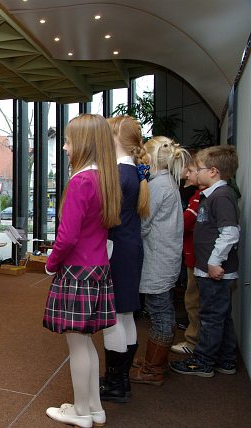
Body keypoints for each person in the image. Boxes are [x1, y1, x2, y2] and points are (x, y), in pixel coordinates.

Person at [43, 114, 121, 428]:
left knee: (77, 345)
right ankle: (93, 408)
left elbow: (67, 236)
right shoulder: (105, 178)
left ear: (84, 143)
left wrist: (50, 263)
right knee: (87, 342)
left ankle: (80, 412)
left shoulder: (81, 181)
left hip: (77, 271)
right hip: (98, 268)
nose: (64, 147)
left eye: (68, 141)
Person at [170, 145, 240, 377]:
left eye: (198, 169)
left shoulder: (221, 197)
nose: (194, 173)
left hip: (214, 270)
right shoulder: (212, 195)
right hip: (208, 268)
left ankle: (204, 361)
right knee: (221, 316)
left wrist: (214, 262)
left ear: (213, 171)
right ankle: (226, 359)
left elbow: (230, 232)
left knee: (210, 317)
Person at [129, 136, 189, 386]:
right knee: (163, 311)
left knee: (160, 313)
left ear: (150, 159)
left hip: (158, 260)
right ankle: (156, 361)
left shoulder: (157, 187)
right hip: (166, 258)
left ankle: (153, 369)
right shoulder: (168, 183)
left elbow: (143, 224)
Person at [99, 116, 149, 403]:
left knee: (114, 318)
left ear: (116, 137)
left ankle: (115, 383)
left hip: (117, 250)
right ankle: (122, 379)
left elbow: (106, 217)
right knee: (125, 315)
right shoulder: (133, 172)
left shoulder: (119, 174)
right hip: (130, 248)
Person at [171, 159, 204, 355]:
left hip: (197, 258)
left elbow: (185, 222)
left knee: (193, 301)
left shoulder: (199, 197)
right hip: (195, 257)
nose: (188, 174)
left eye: (191, 171)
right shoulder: (198, 195)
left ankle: (193, 342)